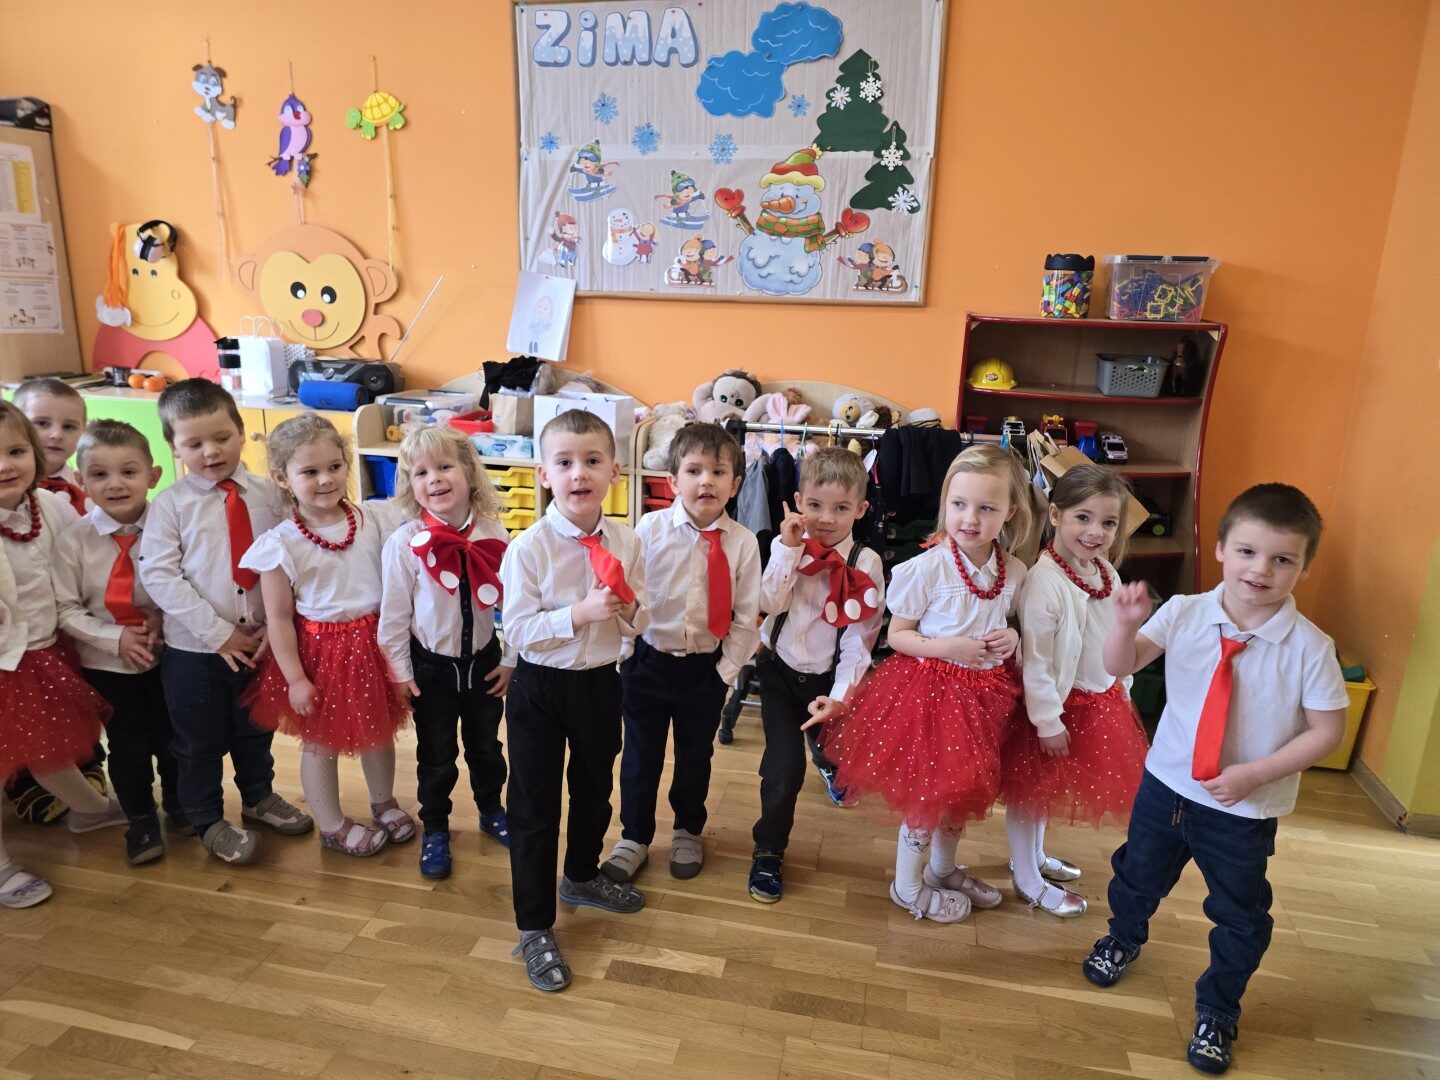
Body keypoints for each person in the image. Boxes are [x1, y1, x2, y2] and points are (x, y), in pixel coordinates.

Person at [1083, 484, 1348, 1075]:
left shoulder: (1311, 648)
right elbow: (1120, 666)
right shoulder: (1183, 611)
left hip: (1242, 812)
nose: (1262, 570)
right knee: (1135, 876)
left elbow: (1327, 731)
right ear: (1223, 548)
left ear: (1304, 567)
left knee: (1240, 915)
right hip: (1165, 787)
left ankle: (1219, 1008)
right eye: (1248, 552)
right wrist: (1123, 625)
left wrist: (1255, 774)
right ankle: (1123, 937)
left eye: (1283, 559)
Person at [809, 445, 1029, 922]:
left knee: (963, 794)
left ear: (1010, 512)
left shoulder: (1013, 570)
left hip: (985, 699)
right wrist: (949, 647)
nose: (970, 518)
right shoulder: (927, 567)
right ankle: (907, 885)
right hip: (932, 698)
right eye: (959, 504)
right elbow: (898, 636)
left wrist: (1011, 637)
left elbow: (1007, 620)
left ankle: (942, 870)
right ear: (944, 502)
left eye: (987, 508)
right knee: (928, 796)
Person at [500, 409, 648, 992]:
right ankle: (534, 924)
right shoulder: (529, 548)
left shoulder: (628, 541)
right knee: (534, 807)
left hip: (599, 684)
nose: (578, 473)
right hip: (538, 687)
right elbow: (517, 630)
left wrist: (630, 611)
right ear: (544, 475)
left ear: (614, 471)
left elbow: (640, 619)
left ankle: (581, 875)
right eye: (564, 462)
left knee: (593, 789)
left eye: (592, 461)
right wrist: (578, 614)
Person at [139, 380, 312, 865]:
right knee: (198, 742)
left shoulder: (271, 495)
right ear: (174, 447)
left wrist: (275, 625)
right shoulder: (171, 505)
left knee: (255, 728)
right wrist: (219, 635)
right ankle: (205, 818)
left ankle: (258, 797)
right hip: (196, 652)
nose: (211, 452)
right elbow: (159, 574)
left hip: (259, 643)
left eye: (221, 437)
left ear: (240, 431)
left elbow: (293, 556)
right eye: (194, 443)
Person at [241, 415, 413, 859]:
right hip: (321, 654)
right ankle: (332, 825)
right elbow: (279, 619)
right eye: (310, 471)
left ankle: (383, 802)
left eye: (335, 466)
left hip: (373, 644)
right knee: (321, 741)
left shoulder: (372, 519)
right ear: (282, 478)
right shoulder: (280, 543)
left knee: (378, 730)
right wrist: (296, 679)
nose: (325, 479)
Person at [603, 423, 760, 883]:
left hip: (704, 671)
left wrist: (725, 672)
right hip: (648, 664)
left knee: (695, 757)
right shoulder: (649, 530)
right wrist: (625, 653)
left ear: (735, 484)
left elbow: (747, 615)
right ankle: (634, 835)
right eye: (694, 471)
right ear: (673, 481)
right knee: (640, 756)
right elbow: (628, 594)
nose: (706, 481)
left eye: (718, 472)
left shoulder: (743, 543)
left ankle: (688, 829)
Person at [999, 464, 1149, 917]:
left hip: (1097, 700)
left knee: (1046, 791)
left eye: (1108, 522)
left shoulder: (1106, 573)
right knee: (1029, 793)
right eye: (1083, 517)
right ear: (1056, 515)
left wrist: (1122, 686)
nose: (1096, 532)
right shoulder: (1044, 582)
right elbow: (1037, 661)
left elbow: (1114, 638)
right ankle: (1027, 877)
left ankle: (1034, 857)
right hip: (1055, 707)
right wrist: (1048, 721)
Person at [0, 402, 126, 908]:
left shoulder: (49, 507)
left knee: (48, 747)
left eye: (15, 451)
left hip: (44, 655)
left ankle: (89, 809)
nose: (5, 465)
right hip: (4, 663)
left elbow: (82, 557)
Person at [747, 446, 884, 905]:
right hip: (780, 673)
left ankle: (827, 762)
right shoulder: (786, 546)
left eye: (841, 508)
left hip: (829, 679)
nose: (826, 519)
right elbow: (767, 603)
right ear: (798, 501)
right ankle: (769, 850)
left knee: (832, 748)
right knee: (782, 770)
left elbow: (860, 639)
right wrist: (787, 551)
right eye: (815, 505)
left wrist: (841, 695)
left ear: (860, 509)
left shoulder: (866, 562)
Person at [378, 425, 511, 879]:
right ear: (410, 485)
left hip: (485, 664)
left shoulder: (494, 531)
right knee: (435, 757)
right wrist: (400, 672)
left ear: (469, 472)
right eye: (420, 472)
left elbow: (514, 603)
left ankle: (492, 810)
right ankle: (435, 827)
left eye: (444, 466)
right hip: (431, 670)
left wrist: (510, 658)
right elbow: (393, 617)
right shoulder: (404, 544)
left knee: (487, 749)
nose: (433, 478)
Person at [53, 419, 182, 865]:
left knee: (174, 737)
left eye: (128, 472)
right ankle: (141, 818)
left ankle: (181, 804)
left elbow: (185, 580)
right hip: (107, 666)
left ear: (153, 475)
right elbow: (66, 609)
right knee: (127, 748)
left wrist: (165, 619)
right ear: (80, 481)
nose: (115, 484)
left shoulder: (170, 526)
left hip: (168, 657)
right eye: (99, 474)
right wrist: (115, 638)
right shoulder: (73, 541)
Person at [9, 378, 106, 825]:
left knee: (58, 730)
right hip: (12, 654)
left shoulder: (54, 502)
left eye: (68, 426)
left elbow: (86, 552)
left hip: (51, 640)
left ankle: (89, 796)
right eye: (41, 423)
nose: (54, 435)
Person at [14, 378, 89, 515]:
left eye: (69, 426)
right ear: (14, 425)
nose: (57, 435)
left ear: (84, 432)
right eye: (42, 423)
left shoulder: (87, 484)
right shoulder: (7, 484)